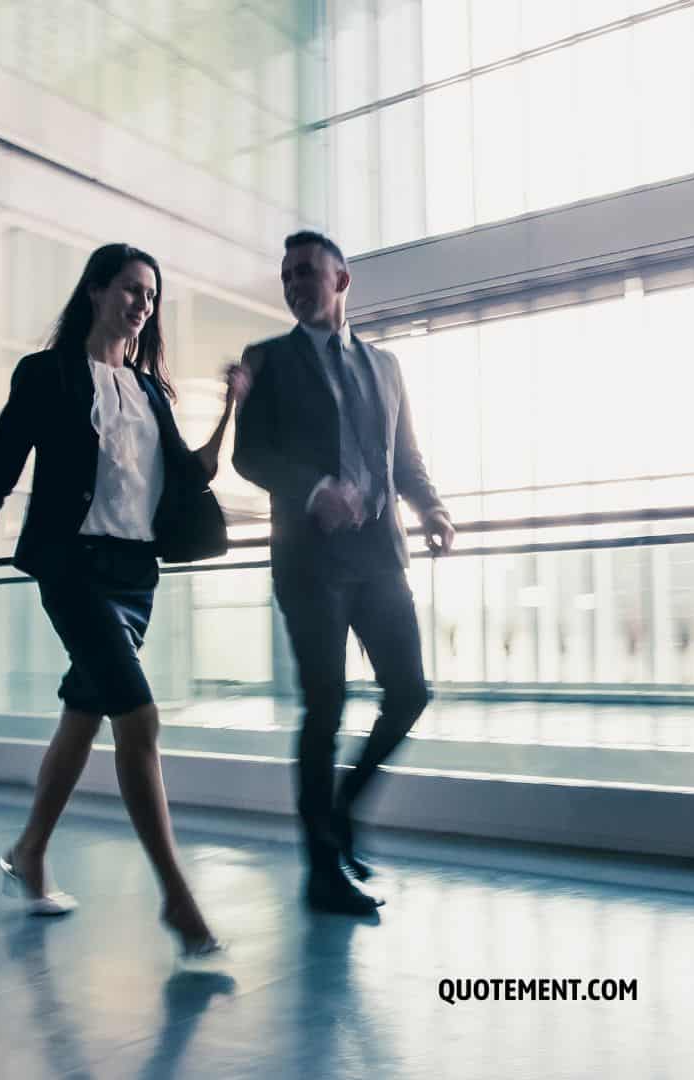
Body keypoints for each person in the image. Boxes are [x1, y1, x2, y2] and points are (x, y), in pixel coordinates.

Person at [0, 242, 250, 971]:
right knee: (141, 716)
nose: (142, 304)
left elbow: (190, 477)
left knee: (85, 714)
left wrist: (229, 410)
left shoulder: (151, 391)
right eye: (130, 289)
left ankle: (28, 853)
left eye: (150, 296)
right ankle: (176, 895)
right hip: (73, 568)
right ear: (96, 292)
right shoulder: (46, 375)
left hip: (135, 577)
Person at [234, 230, 455, 915]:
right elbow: (249, 456)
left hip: (380, 558)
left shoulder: (385, 366)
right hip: (310, 563)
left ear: (341, 280)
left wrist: (433, 508)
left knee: (410, 691)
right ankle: (322, 871)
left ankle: (338, 813)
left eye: (307, 272)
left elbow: (405, 456)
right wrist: (312, 489)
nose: (296, 284)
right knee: (324, 705)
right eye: (287, 276)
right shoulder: (265, 360)